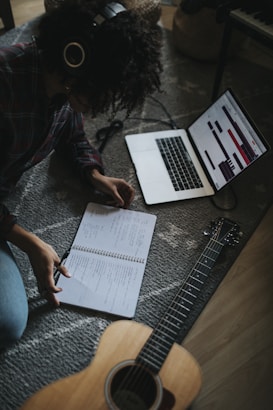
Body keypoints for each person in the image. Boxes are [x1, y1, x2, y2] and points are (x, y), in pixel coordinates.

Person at [0, 0, 162, 348]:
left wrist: (92, 173)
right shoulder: (5, 83)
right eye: (100, 93)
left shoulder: (62, 84)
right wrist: (29, 242)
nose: (102, 105)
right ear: (75, 62)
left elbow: (71, 132)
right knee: (9, 324)